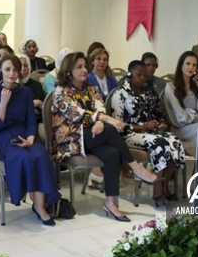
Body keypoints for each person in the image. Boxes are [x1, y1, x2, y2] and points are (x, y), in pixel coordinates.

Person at [51, 52, 157, 222]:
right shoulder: (60, 92)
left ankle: (110, 202)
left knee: (113, 153)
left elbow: (100, 107)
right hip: (70, 139)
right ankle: (136, 168)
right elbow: (76, 114)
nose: (84, 69)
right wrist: (104, 119)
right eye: (79, 67)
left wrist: (101, 120)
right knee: (110, 129)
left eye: (85, 66)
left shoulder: (91, 89)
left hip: (94, 136)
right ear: (68, 70)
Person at [0, 55, 61, 225]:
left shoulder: (25, 92)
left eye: (15, 69)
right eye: (7, 69)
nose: (11, 73)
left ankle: (39, 204)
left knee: (41, 154)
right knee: (25, 158)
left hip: (24, 133)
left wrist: (31, 138)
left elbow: (30, 120)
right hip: (5, 137)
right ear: (0, 71)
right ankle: (38, 203)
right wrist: (3, 102)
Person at [111, 60, 186, 204]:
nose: (142, 78)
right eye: (139, 75)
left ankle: (164, 185)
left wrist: (162, 123)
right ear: (130, 74)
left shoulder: (149, 92)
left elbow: (160, 112)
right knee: (160, 143)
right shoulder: (120, 93)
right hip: (130, 134)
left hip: (151, 132)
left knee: (175, 141)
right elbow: (118, 125)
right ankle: (158, 188)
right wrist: (143, 127)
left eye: (144, 75)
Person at [163, 51, 198, 157]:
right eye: (188, 63)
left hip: (195, 128)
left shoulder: (195, 87)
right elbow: (180, 117)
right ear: (181, 65)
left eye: (194, 65)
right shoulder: (170, 87)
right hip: (179, 130)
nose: (191, 67)